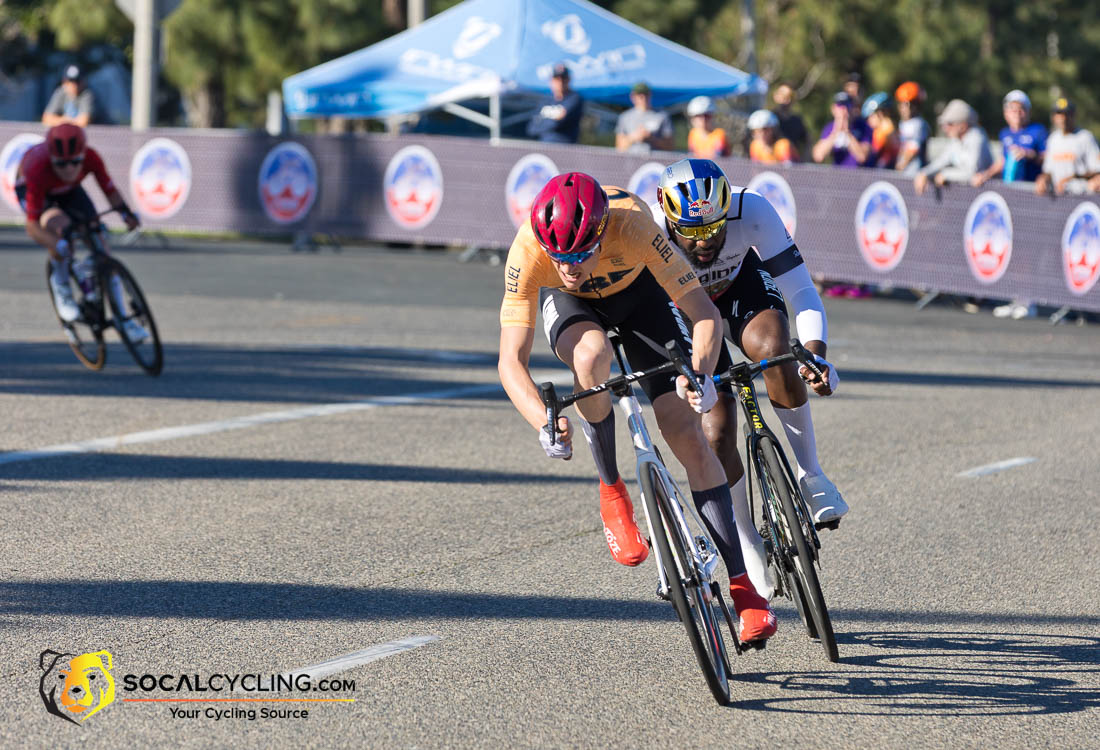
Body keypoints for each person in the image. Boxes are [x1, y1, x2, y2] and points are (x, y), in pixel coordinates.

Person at [498, 172, 776, 642]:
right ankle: (611, 490)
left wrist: (703, 377)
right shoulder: (529, 251)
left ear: (602, 234)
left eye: (580, 255)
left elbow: (705, 316)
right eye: (558, 257)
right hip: (574, 310)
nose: (569, 266)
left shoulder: (632, 226)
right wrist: (542, 423)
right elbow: (510, 362)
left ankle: (744, 588)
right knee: (590, 357)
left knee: (685, 431)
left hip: (641, 294)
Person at [650, 158, 848, 600]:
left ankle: (811, 475)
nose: (706, 244)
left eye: (715, 230)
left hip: (742, 289)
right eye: (693, 233)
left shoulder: (753, 209)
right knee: (716, 430)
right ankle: (746, 539)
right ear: (667, 218)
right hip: (686, 310)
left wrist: (815, 354)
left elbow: (801, 290)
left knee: (776, 351)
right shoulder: (650, 236)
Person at [15, 124, 141, 334]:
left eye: (75, 162)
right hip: (36, 190)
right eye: (61, 164)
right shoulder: (37, 168)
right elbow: (33, 226)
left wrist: (126, 213)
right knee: (62, 230)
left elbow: (109, 191)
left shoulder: (92, 158)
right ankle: (62, 289)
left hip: (69, 191)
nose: (69, 169)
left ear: (83, 155)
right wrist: (59, 244)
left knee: (97, 236)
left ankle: (123, 318)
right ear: (51, 158)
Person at [913, 99, 993, 195]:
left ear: (963, 125)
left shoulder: (976, 138)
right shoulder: (956, 140)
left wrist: (945, 174)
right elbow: (942, 161)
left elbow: (971, 172)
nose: (945, 128)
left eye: (950, 124)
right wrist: (924, 173)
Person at [972, 90, 1046, 187]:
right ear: (1005, 113)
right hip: (1010, 188)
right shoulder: (1004, 133)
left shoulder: (1038, 130)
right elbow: (1003, 160)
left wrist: (1029, 154)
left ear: (1029, 112)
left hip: (1031, 188)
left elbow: (1047, 158)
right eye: (1012, 109)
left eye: (1022, 108)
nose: (1017, 112)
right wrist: (985, 175)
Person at [1035, 98, 1100, 196]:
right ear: (1053, 117)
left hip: (1081, 196)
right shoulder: (1053, 139)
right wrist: (1043, 179)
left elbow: (1096, 170)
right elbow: (1048, 169)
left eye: (1067, 114)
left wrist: (1071, 178)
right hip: (1057, 198)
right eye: (1059, 113)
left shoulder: (1085, 137)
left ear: (1074, 116)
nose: (1063, 118)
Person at [526, 63, 583, 144]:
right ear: (551, 81)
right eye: (557, 79)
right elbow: (532, 128)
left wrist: (544, 122)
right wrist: (551, 122)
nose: (560, 82)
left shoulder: (574, 98)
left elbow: (557, 123)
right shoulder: (546, 100)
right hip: (544, 147)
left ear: (569, 80)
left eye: (563, 79)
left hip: (565, 148)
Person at [812, 92, 872, 168]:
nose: (844, 110)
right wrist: (836, 132)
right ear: (833, 109)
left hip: (858, 176)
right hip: (838, 176)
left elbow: (862, 157)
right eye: (840, 106)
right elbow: (818, 156)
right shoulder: (829, 128)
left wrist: (847, 133)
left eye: (847, 106)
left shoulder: (863, 127)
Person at [615, 82, 674, 154]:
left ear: (650, 95)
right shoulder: (624, 117)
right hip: (631, 161)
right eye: (639, 95)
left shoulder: (662, 116)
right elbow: (619, 147)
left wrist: (651, 138)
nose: (643, 98)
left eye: (646, 94)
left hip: (655, 163)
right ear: (633, 97)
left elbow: (670, 146)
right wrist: (634, 137)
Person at [894, 81, 930, 174]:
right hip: (904, 172)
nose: (904, 108)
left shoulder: (919, 124)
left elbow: (913, 149)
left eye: (908, 104)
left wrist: (900, 167)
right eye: (902, 104)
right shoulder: (902, 123)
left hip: (914, 173)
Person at [863, 93, 900, 169]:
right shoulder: (889, 129)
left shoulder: (885, 130)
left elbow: (874, 152)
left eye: (870, 116)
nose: (868, 121)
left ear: (880, 114)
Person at [771, 83, 808, 156]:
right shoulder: (769, 118)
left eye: (791, 97)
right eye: (784, 97)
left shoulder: (797, 120)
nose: (788, 101)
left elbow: (807, 141)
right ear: (776, 97)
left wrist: (805, 158)